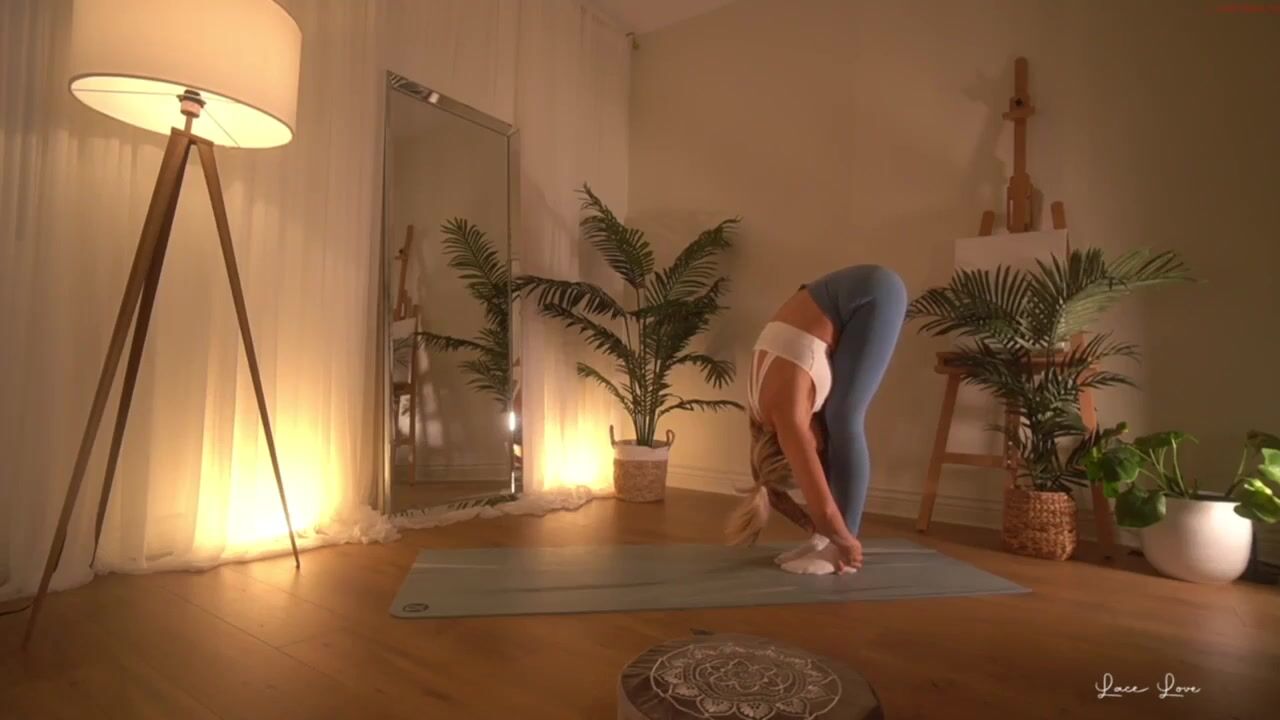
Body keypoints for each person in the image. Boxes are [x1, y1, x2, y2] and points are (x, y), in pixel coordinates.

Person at [728, 265, 907, 575]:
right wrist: (814, 529)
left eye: (814, 451)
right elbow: (769, 488)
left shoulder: (789, 419)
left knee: (844, 417)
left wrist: (846, 541)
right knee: (836, 416)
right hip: (845, 294)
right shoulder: (760, 418)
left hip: (873, 293)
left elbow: (823, 506)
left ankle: (838, 552)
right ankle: (826, 541)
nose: (820, 448)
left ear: (788, 448)